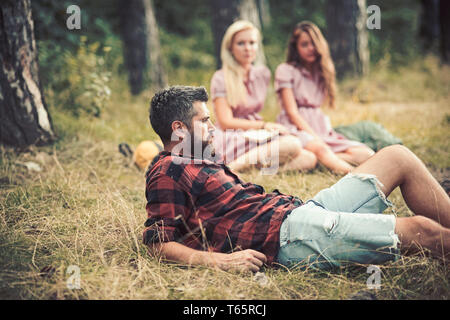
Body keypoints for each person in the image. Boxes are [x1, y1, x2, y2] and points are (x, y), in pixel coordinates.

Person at [144, 85, 450, 273]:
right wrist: (221, 262)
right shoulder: (168, 170)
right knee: (422, 231)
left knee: (396, 155)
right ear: (179, 129)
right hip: (290, 238)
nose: (213, 127)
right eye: (205, 120)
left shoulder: (201, 158)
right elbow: (158, 243)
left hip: (299, 212)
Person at [210, 20, 317, 173]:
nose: (247, 48)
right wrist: (263, 125)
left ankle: (252, 174)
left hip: (256, 133)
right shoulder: (221, 77)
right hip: (232, 136)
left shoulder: (262, 74)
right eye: (241, 43)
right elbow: (226, 122)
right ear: (230, 48)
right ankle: (230, 170)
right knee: (292, 144)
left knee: (309, 158)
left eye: (252, 43)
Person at [275, 21, 375, 174]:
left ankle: (324, 162)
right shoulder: (285, 70)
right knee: (321, 149)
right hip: (295, 128)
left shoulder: (322, 70)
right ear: (296, 48)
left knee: (365, 154)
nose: (311, 48)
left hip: (320, 128)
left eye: (314, 44)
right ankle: (357, 177)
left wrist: (320, 136)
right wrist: (314, 137)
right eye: (304, 44)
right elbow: (292, 113)